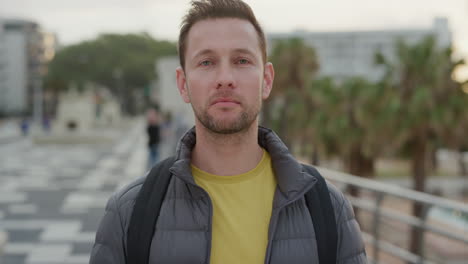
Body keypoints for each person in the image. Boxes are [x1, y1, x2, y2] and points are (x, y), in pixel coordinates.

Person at [90, 0, 367, 263]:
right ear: (183, 84)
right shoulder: (129, 211)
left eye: (242, 61)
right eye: (207, 62)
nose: (225, 79)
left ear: (266, 80)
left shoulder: (328, 208)